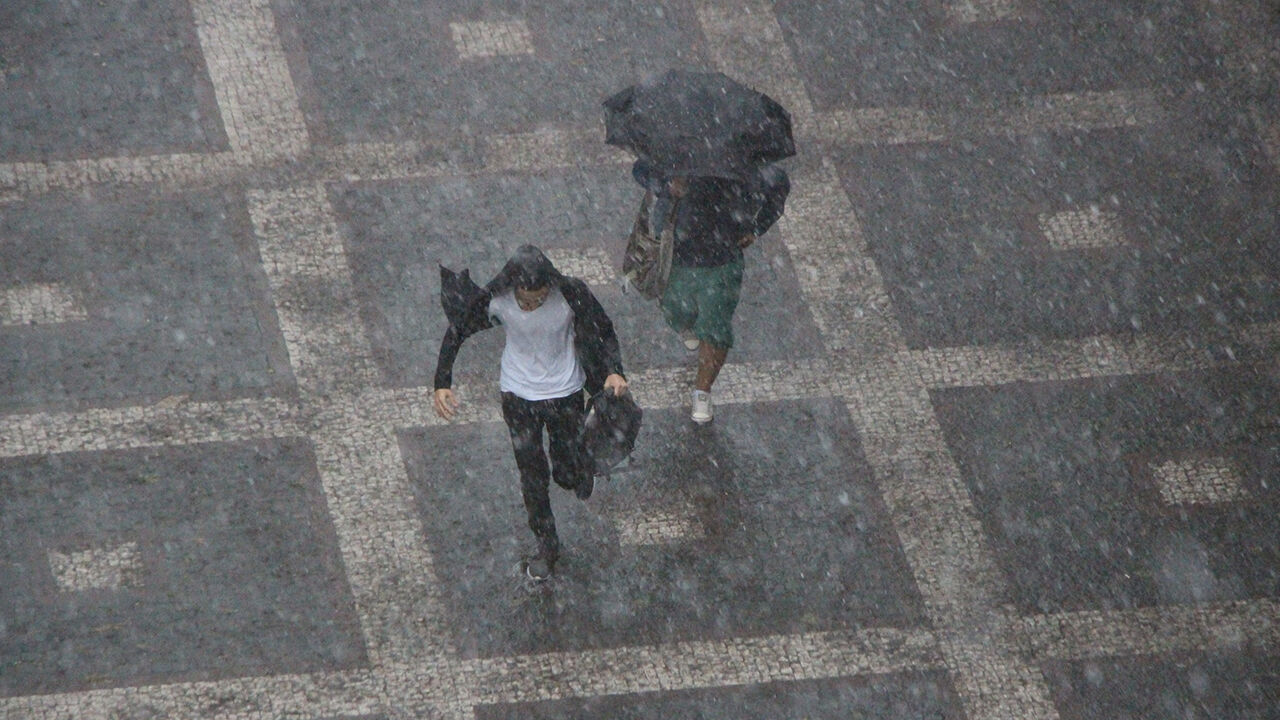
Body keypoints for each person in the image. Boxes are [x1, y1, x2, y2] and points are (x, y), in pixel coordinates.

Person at [433, 245, 628, 581]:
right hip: (518, 396)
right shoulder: (498, 299)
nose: (530, 304)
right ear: (514, 287)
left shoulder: (571, 295)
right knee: (531, 475)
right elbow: (457, 330)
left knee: (564, 472)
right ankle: (546, 544)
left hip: (565, 394)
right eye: (525, 298)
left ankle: (579, 470)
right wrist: (442, 382)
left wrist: (613, 369)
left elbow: (602, 329)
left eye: (538, 298)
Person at [633, 159, 789, 423]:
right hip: (676, 252)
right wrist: (668, 185)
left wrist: (756, 227)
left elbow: (777, 184)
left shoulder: (740, 161)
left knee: (715, 327)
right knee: (676, 310)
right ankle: (687, 325)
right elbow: (641, 169)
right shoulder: (676, 148)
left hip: (723, 256)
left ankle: (702, 391)